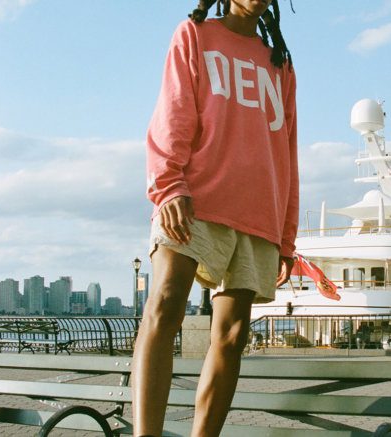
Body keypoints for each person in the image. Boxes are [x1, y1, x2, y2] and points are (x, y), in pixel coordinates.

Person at [131, 0, 298, 436]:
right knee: (165, 304)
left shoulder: (279, 63)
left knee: (232, 335)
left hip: (259, 210)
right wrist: (169, 185)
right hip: (196, 199)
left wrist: (287, 236)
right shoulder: (195, 35)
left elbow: (288, 149)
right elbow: (173, 112)